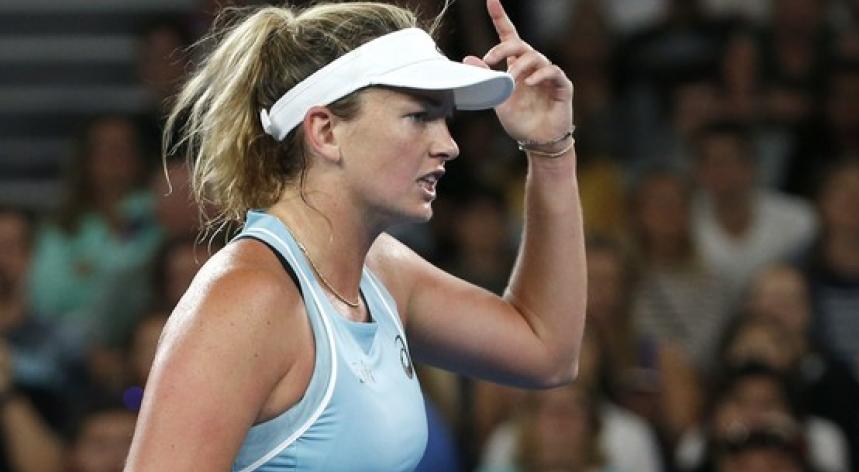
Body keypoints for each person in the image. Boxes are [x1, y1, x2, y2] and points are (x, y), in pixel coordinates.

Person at [125, 0, 584, 470]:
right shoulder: (246, 300)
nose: (448, 144)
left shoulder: (381, 269)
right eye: (419, 116)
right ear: (324, 131)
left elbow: (546, 352)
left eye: (445, 119)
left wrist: (551, 151)